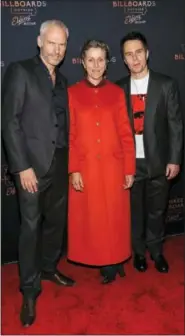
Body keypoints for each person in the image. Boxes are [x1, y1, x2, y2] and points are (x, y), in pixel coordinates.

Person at [2, 20, 75, 327]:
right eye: (51, 43)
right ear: (39, 41)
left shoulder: (63, 80)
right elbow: (9, 122)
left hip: (60, 163)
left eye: (61, 45)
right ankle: (30, 290)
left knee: (56, 223)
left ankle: (49, 267)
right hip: (31, 167)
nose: (57, 50)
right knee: (30, 227)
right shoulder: (20, 71)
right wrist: (21, 167)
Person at [67, 39, 136, 284]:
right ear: (83, 63)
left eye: (101, 59)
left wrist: (129, 168)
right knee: (94, 220)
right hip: (86, 169)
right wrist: (73, 169)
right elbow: (70, 135)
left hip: (114, 168)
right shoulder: (72, 93)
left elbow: (126, 134)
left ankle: (116, 260)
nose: (96, 65)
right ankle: (104, 262)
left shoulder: (117, 93)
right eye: (91, 60)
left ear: (107, 62)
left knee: (115, 219)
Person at [116, 31, 183, 273]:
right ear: (123, 59)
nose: (135, 59)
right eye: (129, 55)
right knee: (135, 212)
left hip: (159, 161)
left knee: (157, 210)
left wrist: (175, 158)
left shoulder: (166, 85)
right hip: (130, 163)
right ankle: (138, 252)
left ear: (147, 53)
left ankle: (156, 251)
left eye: (138, 52)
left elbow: (176, 125)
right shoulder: (118, 89)